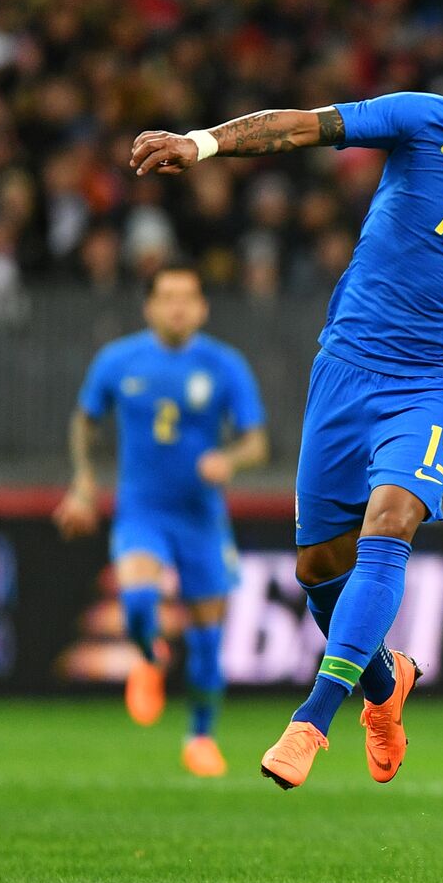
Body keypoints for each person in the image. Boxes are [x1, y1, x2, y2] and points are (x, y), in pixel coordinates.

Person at [129, 91, 443, 789]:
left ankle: (311, 720)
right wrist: (202, 142)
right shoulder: (430, 120)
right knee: (319, 570)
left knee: (390, 524)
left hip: (434, 387)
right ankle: (384, 683)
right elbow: (304, 127)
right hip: (346, 369)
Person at [53, 265, 268, 777]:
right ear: (148, 307)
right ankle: (150, 656)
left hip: (201, 517)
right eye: (167, 297)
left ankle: (201, 737)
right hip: (141, 512)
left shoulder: (224, 364)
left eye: (187, 297)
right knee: (137, 600)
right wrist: (83, 483)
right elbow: (85, 420)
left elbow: (256, 442)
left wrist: (229, 461)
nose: (177, 307)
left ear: (203, 308)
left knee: (207, 638)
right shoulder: (118, 360)